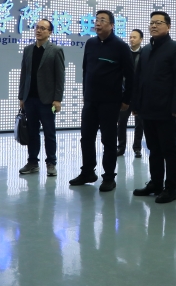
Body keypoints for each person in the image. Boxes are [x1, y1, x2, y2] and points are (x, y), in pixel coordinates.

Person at [70, 10, 135, 192]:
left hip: (110, 102)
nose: (97, 23)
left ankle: (109, 177)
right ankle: (87, 172)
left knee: (108, 140)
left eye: (102, 20)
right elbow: (86, 70)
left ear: (112, 25)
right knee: (86, 137)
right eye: (96, 20)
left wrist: (126, 99)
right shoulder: (90, 43)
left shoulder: (121, 46)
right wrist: (85, 93)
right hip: (91, 101)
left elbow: (131, 76)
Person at [131, 11, 176, 203]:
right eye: (152, 23)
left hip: (165, 109)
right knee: (153, 148)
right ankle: (156, 183)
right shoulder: (146, 50)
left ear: (168, 26)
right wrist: (136, 104)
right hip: (147, 108)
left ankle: (171, 188)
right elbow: (138, 79)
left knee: (169, 150)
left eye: (158, 22)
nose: (154, 26)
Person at [18, 19, 66, 177]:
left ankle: (51, 163)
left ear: (50, 32)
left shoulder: (56, 50)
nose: (38, 30)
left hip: (48, 101)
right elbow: (24, 74)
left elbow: (60, 77)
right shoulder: (28, 50)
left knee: (49, 133)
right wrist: (21, 97)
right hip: (29, 99)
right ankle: (32, 162)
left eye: (43, 28)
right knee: (32, 132)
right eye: (37, 27)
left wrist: (57, 99)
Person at [117, 29, 145, 158]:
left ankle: (137, 148)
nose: (131, 39)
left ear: (141, 39)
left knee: (139, 123)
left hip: (139, 95)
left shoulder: (145, 54)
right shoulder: (124, 53)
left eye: (134, 37)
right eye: (130, 37)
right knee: (122, 121)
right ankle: (121, 147)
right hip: (125, 93)